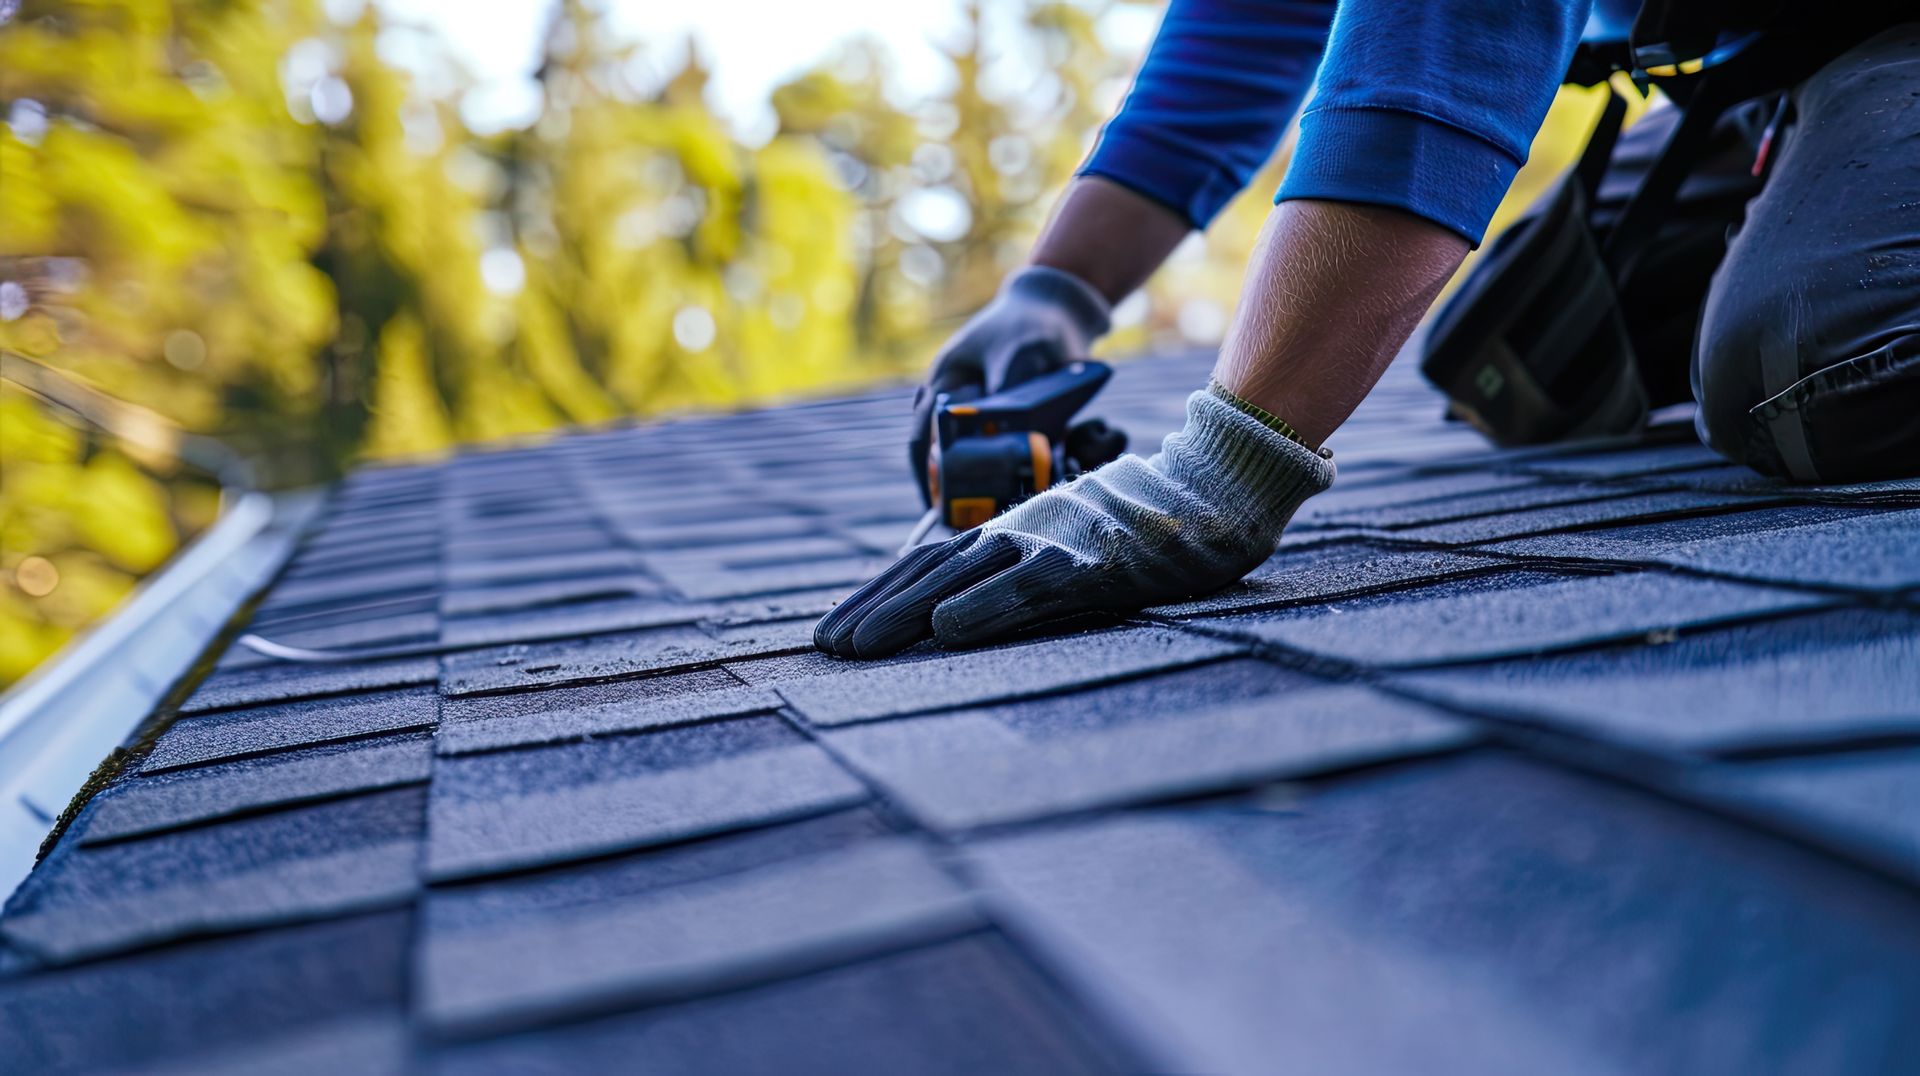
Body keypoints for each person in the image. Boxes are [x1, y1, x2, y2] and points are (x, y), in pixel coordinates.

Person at [815, 2, 1919, 660]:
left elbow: (1457, 34)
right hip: (1785, 64)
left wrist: (1224, 466)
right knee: (1518, 357)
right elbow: (1257, 26)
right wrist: (1059, 288)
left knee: (1808, 363)